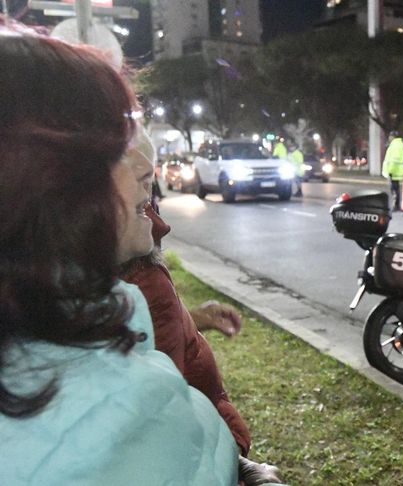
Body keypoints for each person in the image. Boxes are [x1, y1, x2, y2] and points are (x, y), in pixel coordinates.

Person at [0, 33, 237, 484]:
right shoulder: (112, 420)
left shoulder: (61, 320)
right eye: (118, 147)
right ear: (44, 181)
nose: (146, 172)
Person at [119, 127, 282, 485]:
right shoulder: (142, 278)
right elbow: (165, 422)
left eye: (151, 185)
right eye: (140, 183)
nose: (151, 206)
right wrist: (238, 467)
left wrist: (189, 319)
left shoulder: (135, 274)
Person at [381, 130, 403, 211]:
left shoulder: (395, 146)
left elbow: (393, 160)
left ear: (392, 137)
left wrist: (390, 171)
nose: (389, 138)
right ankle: (397, 205)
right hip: (397, 170)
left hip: (394, 171)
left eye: (390, 136)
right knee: (396, 188)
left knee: (394, 189)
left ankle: (396, 205)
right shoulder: (399, 145)